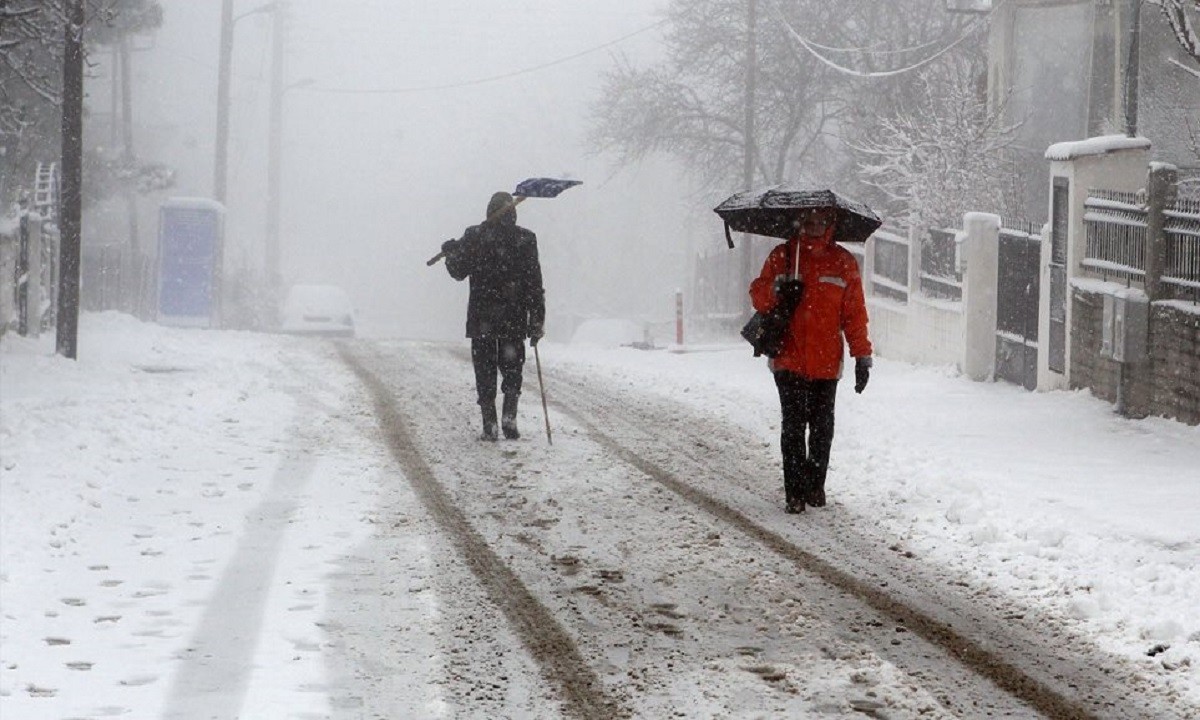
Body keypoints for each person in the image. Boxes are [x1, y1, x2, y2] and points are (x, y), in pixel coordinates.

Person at [748, 207, 872, 514]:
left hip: (827, 363)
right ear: (799, 222)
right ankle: (795, 492)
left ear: (830, 224)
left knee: (821, 427)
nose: (814, 226)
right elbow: (758, 295)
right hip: (788, 359)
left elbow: (854, 314)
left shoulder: (843, 263)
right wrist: (779, 290)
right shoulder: (783, 257)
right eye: (808, 220)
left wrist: (862, 355)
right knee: (793, 426)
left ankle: (815, 485)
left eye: (820, 221)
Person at [441, 191, 546, 441]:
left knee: (485, 369)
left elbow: (458, 271)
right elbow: (534, 282)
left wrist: (450, 252)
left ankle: (490, 423)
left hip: (483, 317)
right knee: (512, 367)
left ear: (489, 211)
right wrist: (537, 319)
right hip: (514, 316)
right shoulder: (525, 239)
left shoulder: (475, 236)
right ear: (513, 213)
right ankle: (509, 416)